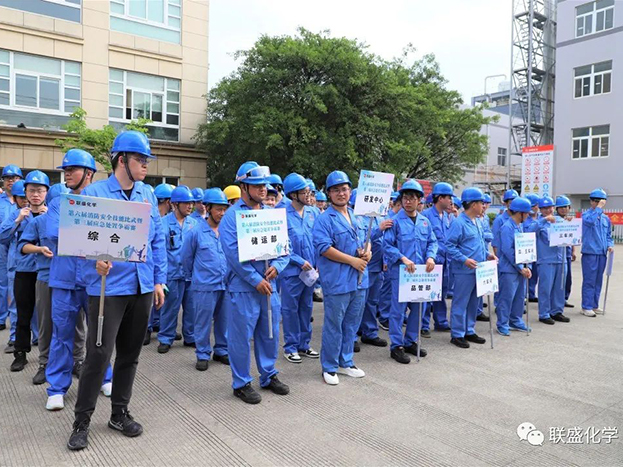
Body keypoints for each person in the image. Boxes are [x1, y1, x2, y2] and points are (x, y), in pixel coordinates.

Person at [66, 131, 166, 451]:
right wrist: (93, 262)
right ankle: (81, 421)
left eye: (147, 159)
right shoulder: (94, 193)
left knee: (130, 354)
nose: (145, 165)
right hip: (107, 289)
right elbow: (78, 242)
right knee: (98, 355)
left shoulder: (148, 194)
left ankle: (119, 413)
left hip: (142, 285)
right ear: (121, 160)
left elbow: (157, 241)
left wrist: (159, 281)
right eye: (140, 159)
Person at [219, 162, 290, 404]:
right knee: (240, 337)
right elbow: (233, 254)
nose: (263, 189)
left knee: (269, 332)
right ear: (243, 187)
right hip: (244, 288)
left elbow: (285, 249)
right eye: (257, 185)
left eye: (264, 185)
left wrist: (277, 266)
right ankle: (241, 382)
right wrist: (254, 279)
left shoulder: (271, 213)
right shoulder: (231, 217)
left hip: (269, 286)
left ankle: (268, 375)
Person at [44, 150, 105, 411]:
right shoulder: (58, 202)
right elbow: (54, 234)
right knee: (61, 335)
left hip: (94, 280)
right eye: (65, 170)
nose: (67, 174)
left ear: (88, 173)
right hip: (64, 280)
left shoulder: (102, 201)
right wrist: (92, 235)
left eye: (72, 170)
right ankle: (57, 388)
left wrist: (78, 234)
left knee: (100, 334)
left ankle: (105, 377)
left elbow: (112, 236)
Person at [313, 170, 369, 385]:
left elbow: (367, 240)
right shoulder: (324, 219)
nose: (341, 193)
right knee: (334, 325)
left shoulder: (357, 215)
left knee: (351, 324)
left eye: (344, 189)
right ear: (329, 193)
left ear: (350, 191)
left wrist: (368, 252)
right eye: (335, 190)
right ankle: (329, 366)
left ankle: (346, 361)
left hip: (359, 279)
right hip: (337, 281)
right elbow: (324, 248)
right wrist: (352, 261)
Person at [383, 180, 437, 364]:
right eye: (405, 198)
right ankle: (396, 345)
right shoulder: (394, 222)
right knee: (398, 311)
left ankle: (410, 341)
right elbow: (387, 246)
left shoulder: (425, 222)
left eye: (412, 198)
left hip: (420, 273)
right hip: (401, 273)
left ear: (419, 200)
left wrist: (431, 257)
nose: (408, 201)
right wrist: (402, 258)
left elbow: (432, 242)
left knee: (418, 308)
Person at [18, 183, 66, 384]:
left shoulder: (79, 221)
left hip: (72, 280)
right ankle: (45, 364)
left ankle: (77, 361)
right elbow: (23, 246)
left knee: (76, 326)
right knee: (46, 323)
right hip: (47, 278)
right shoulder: (40, 222)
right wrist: (39, 249)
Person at [2, 171, 49, 372]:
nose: (35, 195)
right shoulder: (18, 214)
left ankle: (48, 357)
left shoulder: (53, 214)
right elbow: (2, 237)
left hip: (46, 271)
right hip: (24, 270)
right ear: (25, 193)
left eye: (40, 190)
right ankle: (20, 353)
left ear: (46, 192)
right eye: (31, 191)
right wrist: (18, 221)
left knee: (48, 316)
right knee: (23, 313)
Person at [181, 188, 230, 371]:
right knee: (202, 321)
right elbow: (186, 258)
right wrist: (195, 277)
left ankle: (221, 350)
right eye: (218, 209)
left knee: (224, 320)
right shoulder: (195, 232)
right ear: (208, 208)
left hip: (225, 284)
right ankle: (202, 353)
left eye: (224, 209)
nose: (222, 213)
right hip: (204, 285)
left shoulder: (227, 231)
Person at [446, 187, 496, 348]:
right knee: (461, 302)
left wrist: (487, 255)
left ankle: (469, 330)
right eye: (481, 203)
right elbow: (449, 245)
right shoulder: (458, 223)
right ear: (473, 204)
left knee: (474, 302)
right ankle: (457, 334)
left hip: (478, 269)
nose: (484, 206)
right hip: (464, 270)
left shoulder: (478, 221)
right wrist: (464, 259)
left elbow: (479, 243)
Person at [279, 173, 319, 363]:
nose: (308, 195)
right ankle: (291, 346)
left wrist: (318, 264)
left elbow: (319, 239)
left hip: (310, 272)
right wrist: (298, 260)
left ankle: (304, 344)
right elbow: (280, 246)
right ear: (293, 195)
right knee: (290, 309)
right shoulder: (281, 215)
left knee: (306, 308)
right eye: (304, 192)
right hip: (291, 272)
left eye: (309, 191)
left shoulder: (313, 213)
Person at [157, 185, 197, 353]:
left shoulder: (195, 224)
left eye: (191, 203)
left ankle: (190, 336)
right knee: (170, 308)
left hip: (191, 275)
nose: (190, 206)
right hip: (172, 273)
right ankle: (166, 338)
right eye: (186, 203)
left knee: (192, 307)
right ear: (175, 204)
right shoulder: (163, 223)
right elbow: (159, 251)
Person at [529, 196, 570, 325]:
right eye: (544, 208)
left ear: (553, 207)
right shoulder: (538, 223)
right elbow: (529, 231)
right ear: (540, 209)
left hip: (561, 259)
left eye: (550, 207)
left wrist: (571, 224)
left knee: (560, 287)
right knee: (545, 288)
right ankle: (544, 313)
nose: (548, 210)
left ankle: (556, 311)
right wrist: (545, 220)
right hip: (546, 260)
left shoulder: (560, 221)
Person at [421, 182, 453, 336]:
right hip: (432, 261)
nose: (451, 201)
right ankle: (423, 324)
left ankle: (441, 321)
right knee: (428, 294)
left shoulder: (447, 216)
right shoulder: (426, 216)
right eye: (448, 197)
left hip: (446, 261)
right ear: (440, 198)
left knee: (442, 292)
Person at [496, 197, 533, 336]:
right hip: (509, 269)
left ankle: (516, 320)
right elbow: (508, 250)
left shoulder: (519, 226)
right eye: (526, 213)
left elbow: (524, 248)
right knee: (507, 297)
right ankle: (502, 323)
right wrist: (520, 267)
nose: (528, 216)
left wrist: (527, 266)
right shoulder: (507, 227)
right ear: (520, 213)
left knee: (519, 296)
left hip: (520, 269)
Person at [580, 188, 614, 317]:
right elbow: (589, 222)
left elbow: (609, 235)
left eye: (600, 201)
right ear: (591, 201)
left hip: (602, 254)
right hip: (590, 253)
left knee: (598, 280)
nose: (598, 203)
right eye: (596, 201)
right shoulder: (586, 216)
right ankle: (586, 306)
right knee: (589, 280)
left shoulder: (605, 219)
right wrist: (598, 209)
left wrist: (610, 245)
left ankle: (594, 304)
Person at [0, 164, 23, 334]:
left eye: (15, 178)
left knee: (18, 283)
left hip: (19, 244)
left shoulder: (24, 198)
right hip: (2, 244)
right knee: (2, 282)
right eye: (8, 178)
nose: (11, 181)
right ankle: (1, 318)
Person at [377, 192, 402, 330]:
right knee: (387, 291)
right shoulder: (390, 219)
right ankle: (384, 316)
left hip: (391, 260)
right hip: (388, 260)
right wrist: (386, 260)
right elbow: (386, 244)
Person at [555, 196, 576, 308]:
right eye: (561, 207)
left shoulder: (570, 221)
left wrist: (573, 251)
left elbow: (573, 237)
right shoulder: (553, 220)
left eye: (566, 207)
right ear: (557, 209)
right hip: (557, 255)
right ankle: (557, 300)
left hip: (567, 253)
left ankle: (564, 298)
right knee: (559, 279)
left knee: (567, 279)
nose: (563, 209)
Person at [476, 193, 494, 321]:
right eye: (482, 203)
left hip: (484, 251)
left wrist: (486, 235)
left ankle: (479, 309)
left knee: (481, 283)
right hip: (474, 256)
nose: (484, 206)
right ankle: (477, 310)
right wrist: (485, 235)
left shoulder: (485, 218)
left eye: (486, 203)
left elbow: (490, 235)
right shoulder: (472, 219)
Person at [491, 189, 518, 257]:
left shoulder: (519, 219)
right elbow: (495, 244)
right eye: (511, 203)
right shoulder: (499, 220)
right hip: (504, 259)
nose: (514, 205)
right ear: (505, 204)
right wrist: (499, 259)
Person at [524, 194, 541, 303]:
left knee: (535, 273)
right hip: (527, 249)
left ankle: (531, 293)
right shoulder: (524, 218)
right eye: (532, 206)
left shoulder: (541, 217)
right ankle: (525, 295)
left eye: (535, 205)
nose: (534, 208)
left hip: (539, 249)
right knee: (527, 272)